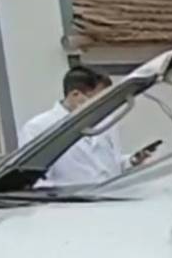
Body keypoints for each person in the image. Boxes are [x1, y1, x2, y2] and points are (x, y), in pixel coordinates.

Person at [18, 65, 151, 187]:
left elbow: (111, 165)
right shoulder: (38, 128)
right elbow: (36, 182)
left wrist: (131, 161)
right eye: (99, 99)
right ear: (75, 95)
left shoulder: (107, 122)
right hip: (71, 208)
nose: (104, 105)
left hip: (111, 200)